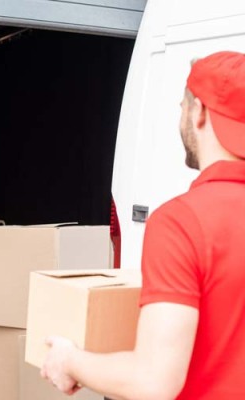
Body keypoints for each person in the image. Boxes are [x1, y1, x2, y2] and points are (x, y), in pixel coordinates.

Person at [40, 50, 245, 399]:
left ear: (200, 112)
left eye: (183, 104)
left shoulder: (182, 222)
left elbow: (153, 381)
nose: (180, 113)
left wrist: (70, 360)